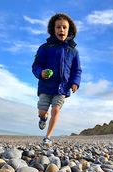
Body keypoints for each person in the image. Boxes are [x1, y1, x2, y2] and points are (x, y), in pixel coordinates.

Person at [32, 13, 82, 146]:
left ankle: (48, 137)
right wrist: (41, 73)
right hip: (45, 86)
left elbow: (76, 70)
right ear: (53, 30)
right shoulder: (45, 48)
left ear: (69, 30)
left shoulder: (73, 51)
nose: (61, 30)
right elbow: (36, 65)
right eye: (58, 27)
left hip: (62, 87)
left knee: (56, 110)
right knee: (42, 112)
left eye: (64, 27)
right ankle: (43, 118)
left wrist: (75, 82)